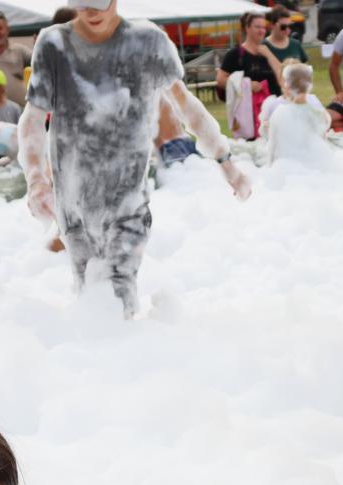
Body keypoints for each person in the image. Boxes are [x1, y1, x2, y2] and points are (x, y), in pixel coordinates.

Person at [19, 0, 251, 319]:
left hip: (127, 202)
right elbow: (32, 118)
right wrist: (35, 180)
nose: (91, 11)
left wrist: (226, 162)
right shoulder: (53, 44)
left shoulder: (147, 41)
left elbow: (186, 106)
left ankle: (130, 340)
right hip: (73, 205)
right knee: (89, 298)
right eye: (81, 3)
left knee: (118, 293)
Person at [218, 12, 286, 140]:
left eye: (263, 27)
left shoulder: (269, 51)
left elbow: (283, 77)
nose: (262, 31)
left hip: (273, 115)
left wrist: (269, 55)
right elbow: (221, 80)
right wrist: (247, 84)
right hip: (248, 118)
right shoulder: (235, 54)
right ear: (247, 28)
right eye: (257, 27)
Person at [260, 61, 331, 164]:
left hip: (288, 162)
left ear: (287, 86)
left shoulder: (280, 112)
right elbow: (322, 140)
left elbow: (272, 147)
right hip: (312, 161)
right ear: (309, 85)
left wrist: (271, 168)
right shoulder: (317, 113)